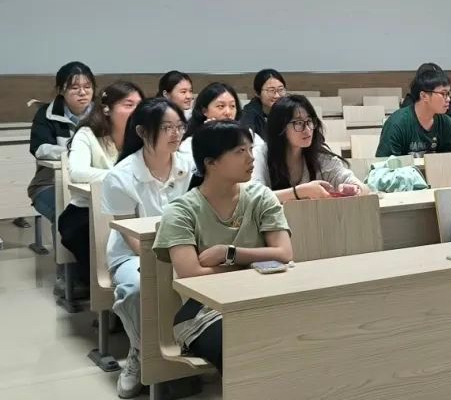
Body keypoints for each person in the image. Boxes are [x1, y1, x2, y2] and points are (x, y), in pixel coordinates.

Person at [153, 120, 293, 373]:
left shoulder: (261, 197)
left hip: (264, 298)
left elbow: (284, 253)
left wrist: (228, 253)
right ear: (211, 162)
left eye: (250, 149)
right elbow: (192, 275)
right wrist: (254, 265)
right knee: (253, 355)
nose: (251, 157)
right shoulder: (180, 211)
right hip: (205, 312)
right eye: (240, 151)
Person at [101, 98, 193, 397]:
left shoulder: (190, 166)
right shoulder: (120, 176)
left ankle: (184, 351)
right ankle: (140, 352)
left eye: (180, 126)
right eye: (166, 127)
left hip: (182, 248)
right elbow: (132, 237)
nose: (176, 133)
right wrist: (170, 264)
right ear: (142, 132)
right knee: (137, 288)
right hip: (133, 254)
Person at [61, 81, 144, 288]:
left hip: (132, 210)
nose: (136, 111)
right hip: (86, 210)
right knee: (84, 234)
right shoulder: (87, 134)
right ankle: (99, 291)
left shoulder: (142, 136)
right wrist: (120, 177)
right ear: (107, 109)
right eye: (129, 105)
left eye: (139, 105)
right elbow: (77, 172)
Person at [253, 95, 371, 201]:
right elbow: (254, 198)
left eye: (309, 121)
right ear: (280, 128)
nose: (308, 129)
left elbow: (363, 188)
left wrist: (355, 189)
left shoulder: (320, 157)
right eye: (298, 123)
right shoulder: (260, 155)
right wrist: (300, 192)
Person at [26, 61, 96, 224]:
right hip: (49, 183)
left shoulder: (102, 114)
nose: (82, 92)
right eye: (74, 87)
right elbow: (40, 149)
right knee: (69, 216)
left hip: (92, 182)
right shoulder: (46, 114)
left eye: (87, 86)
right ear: (61, 90)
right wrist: (76, 152)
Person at [181, 82, 266, 182]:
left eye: (232, 106)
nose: (228, 112)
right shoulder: (189, 144)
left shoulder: (249, 136)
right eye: (221, 106)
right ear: (204, 111)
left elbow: (258, 178)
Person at [376, 67, 451, 157]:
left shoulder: (447, 124)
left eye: (448, 94)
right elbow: (385, 163)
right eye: (443, 94)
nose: (448, 99)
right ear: (424, 96)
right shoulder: (396, 124)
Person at [239, 68, 287, 140]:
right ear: (257, 93)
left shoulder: (290, 109)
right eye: (271, 90)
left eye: (280, 90)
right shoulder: (249, 114)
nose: (277, 95)